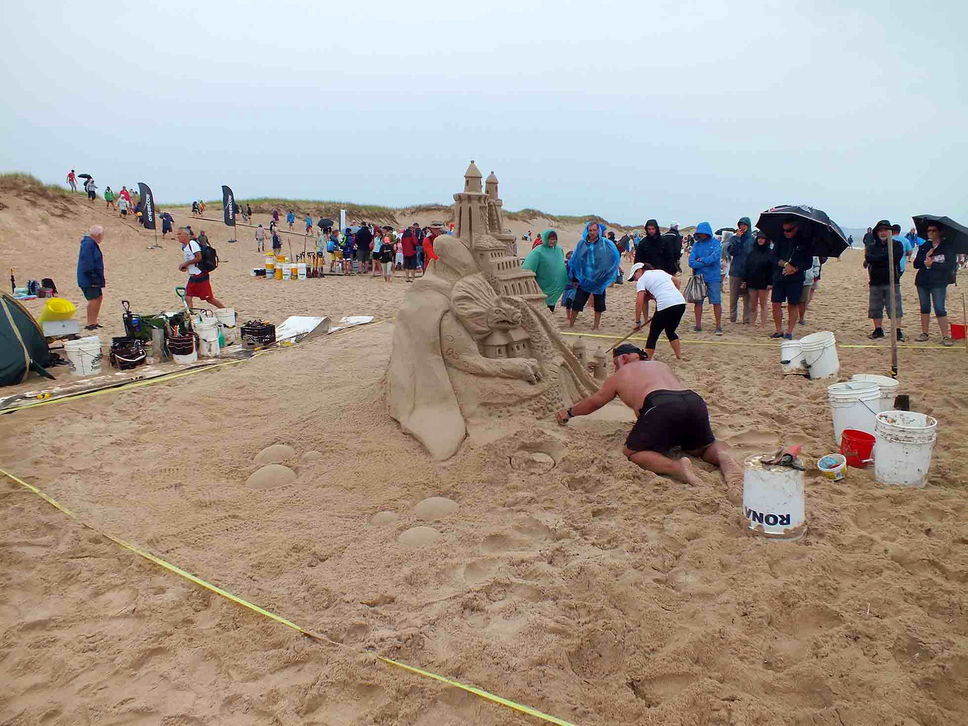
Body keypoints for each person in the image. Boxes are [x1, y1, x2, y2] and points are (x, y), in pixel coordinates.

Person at [555, 345, 742, 488]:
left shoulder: (620, 375)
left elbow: (594, 402)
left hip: (661, 404)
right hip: (693, 401)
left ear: (623, 358)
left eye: (614, 364)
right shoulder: (660, 365)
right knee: (702, 447)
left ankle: (677, 468)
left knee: (633, 452)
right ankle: (722, 457)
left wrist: (569, 412)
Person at [566, 221, 621, 330]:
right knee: (577, 303)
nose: (592, 232)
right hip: (585, 279)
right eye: (590, 230)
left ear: (598, 231)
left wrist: (607, 275)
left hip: (599, 280)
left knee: (599, 305)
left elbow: (613, 258)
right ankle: (571, 324)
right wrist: (575, 277)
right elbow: (575, 261)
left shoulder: (605, 244)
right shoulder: (582, 244)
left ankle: (596, 326)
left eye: (594, 230)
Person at [628, 262, 686, 360]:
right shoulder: (660, 272)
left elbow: (639, 302)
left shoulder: (642, 279)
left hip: (665, 305)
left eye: (634, 277)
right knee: (670, 331)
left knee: (653, 335)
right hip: (680, 303)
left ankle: (647, 360)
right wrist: (672, 295)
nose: (635, 280)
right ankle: (679, 356)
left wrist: (637, 322)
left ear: (639, 270)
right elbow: (678, 282)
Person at [912, 221, 957, 345]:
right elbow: (916, 264)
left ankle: (945, 336)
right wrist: (925, 256)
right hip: (923, 281)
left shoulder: (947, 246)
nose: (930, 233)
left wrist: (933, 264)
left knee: (939, 308)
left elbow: (950, 265)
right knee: (925, 307)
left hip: (939, 282)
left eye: (933, 230)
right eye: (928, 231)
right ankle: (924, 333)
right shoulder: (925, 245)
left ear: (940, 232)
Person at [770, 216, 813, 339]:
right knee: (775, 303)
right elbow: (772, 257)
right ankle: (778, 330)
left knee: (793, 304)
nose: (786, 233)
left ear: (796, 228)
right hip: (779, 276)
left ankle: (789, 331)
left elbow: (808, 263)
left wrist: (795, 268)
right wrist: (785, 264)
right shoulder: (780, 240)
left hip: (795, 279)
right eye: (784, 230)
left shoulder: (805, 242)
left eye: (788, 230)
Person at [864, 219, 905, 340]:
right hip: (875, 281)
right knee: (875, 307)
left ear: (890, 232)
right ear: (876, 232)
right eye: (880, 230)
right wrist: (884, 259)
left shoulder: (897, 245)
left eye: (886, 230)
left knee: (895, 306)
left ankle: (897, 331)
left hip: (892, 281)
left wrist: (880, 259)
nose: (883, 233)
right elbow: (869, 258)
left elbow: (895, 259)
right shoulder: (872, 246)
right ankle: (878, 330)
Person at [687, 221, 723, 333]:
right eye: (699, 233)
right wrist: (705, 261)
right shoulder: (696, 245)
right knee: (698, 302)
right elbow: (691, 262)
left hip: (713, 277)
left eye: (703, 233)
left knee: (716, 301)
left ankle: (718, 326)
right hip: (699, 277)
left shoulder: (716, 243)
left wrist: (701, 260)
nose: (701, 235)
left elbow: (714, 258)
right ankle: (698, 325)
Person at [177, 227, 224, 309]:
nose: (177, 236)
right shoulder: (185, 247)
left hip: (200, 275)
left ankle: (227, 311)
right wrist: (185, 267)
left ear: (186, 235)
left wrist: (185, 263)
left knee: (209, 299)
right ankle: (190, 316)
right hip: (193, 276)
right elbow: (192, 260)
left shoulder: (192, 244)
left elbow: (199, 257)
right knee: (188, 297)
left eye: (179, 234)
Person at [522, 230, 568, 312]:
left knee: (551, 307)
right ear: (545, 238)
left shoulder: (558, 250)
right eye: (550, 239)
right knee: (542, 309)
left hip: (555, 288)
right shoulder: (538, 251)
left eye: (554, 239)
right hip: (542, 287)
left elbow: (559, 263)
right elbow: (527, 268)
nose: (552, 241)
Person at [76, 225, 105, 330]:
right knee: (93, 299)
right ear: (98, 235)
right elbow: (87, 263)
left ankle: (94, 321)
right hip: (88, 278)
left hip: (93, 276)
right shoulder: (88, 245)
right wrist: (93, 277)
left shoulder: (91, 244)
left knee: (99, 297)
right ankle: (90, 323)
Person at [744, 230, 775, 326]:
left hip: (764, 282)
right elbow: (747, 267)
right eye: (759, 238)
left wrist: (770, 283)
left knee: (763, 304)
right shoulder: (752, 252)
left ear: (767, 240)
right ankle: (752, 324)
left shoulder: (770, 253)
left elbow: (772, 269)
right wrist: (745, 280)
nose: (761, 240)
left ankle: (763, 324)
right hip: (752, 281)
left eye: (763, 239)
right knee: (752, 305)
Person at [726, 217, 754, 324]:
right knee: (733, 297)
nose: (742, 227)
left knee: (747, 298)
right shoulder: (734, 238)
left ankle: (746, 319)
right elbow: (731, 252)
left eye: (744, 225)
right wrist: (737, 238)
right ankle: (733, 318)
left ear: (748, 226)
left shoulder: (752, 240)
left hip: (748, 272)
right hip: (735, 271)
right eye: (741, 225)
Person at [798, 256, 821, 325]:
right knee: (794, 301)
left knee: (803, 300)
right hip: (794, 279)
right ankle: (794, 317)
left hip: (807, 279)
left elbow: (817, 265)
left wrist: (814, 275)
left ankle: (801, 318)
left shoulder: (813, 252)